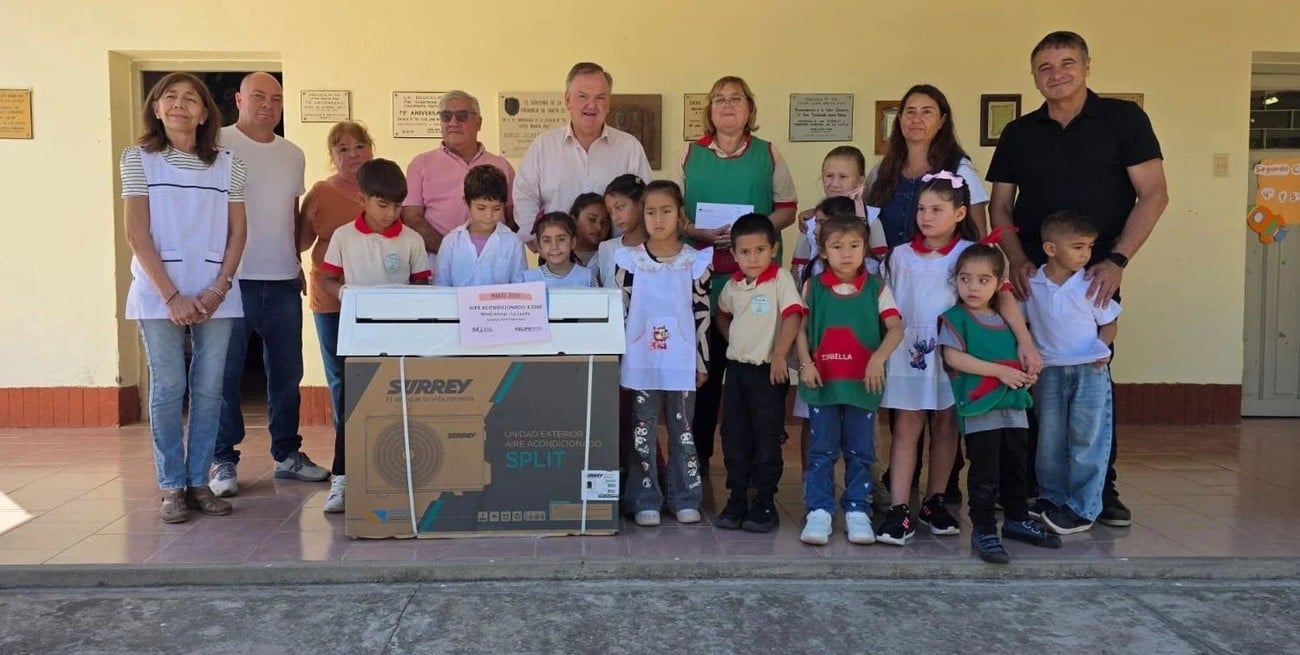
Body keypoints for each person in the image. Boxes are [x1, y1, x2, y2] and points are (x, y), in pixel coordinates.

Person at [988, 30, 1168, 528]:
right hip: (1032, 279)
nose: (1056, 74)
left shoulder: (1124, 120)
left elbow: (1153, 194)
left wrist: (1117, 261)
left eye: (1067, 63)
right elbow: (1000, 206)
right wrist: (1018, 258)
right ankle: (1029, 488)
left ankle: (1100, 492)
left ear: (1087, 66)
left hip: (1096, 279)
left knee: (1092, 389)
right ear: (1034, 76)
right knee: (1031, 378)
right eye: (1044, 67)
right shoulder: (1020, 133)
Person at [876, 172, 1040, 546]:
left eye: (937, 209)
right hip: (909, 353)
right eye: (921, 209)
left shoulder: (969, 254)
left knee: (947, 424)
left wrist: (1025, 341)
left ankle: (934, 500)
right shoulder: (898, 256)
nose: (926, 217)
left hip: (956, 352)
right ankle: (900, 507)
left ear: (960, 212)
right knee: (906, 427)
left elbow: (1004, 297)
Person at [121, 72, 247, 523]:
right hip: (159, 293)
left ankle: (199, 481)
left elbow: (237, 232)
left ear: (204, 112)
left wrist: (218, 287)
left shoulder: (229, 162)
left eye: (190, 98)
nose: (179, 104)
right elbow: (136, 232)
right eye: (169, 97)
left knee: (210, 390)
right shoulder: (138, 159)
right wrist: (171, 295)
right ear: (156, 108)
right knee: (169, 388)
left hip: (217, 293)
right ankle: (172, 485)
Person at [867, 84, 990, 507]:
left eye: (926, 111)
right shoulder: (884, 170)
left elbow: (978, 233)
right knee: (905, 412)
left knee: (944, 414)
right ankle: (901, 492)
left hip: (946, 298)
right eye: (908, 111)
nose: (916, 119)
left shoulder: (960, 169)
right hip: (899, 294)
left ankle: (939, 494)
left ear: (942, 119)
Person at [211, 72, 327, 497]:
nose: (267, 105)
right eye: (258, 96)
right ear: (238, 99)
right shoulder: (216, 144)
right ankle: (223, 458)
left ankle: (287, 454)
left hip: (281, 279)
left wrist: (295, 261)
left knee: (286, 373)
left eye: (276, 98)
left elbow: (290, 213)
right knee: (224, 374)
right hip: (231, 280)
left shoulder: (292, 154)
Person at [679, 75, 798, 471]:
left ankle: (751, 469)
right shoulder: (689, 154)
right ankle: (696, 464)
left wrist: (752, 231)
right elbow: (672, 214)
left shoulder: (768, 154)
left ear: (749, 108)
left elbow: (787, 208)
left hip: (756, 284)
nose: (727, 106)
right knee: (705, 379)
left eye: (736, 99)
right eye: (719, 100)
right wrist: (696, 231)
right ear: (709, 111)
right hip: (704, 281)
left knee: (754, 379)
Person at [939, 245, 1062, 563]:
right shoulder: (956, 318)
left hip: (1014, 407)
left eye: (982, 280)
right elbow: (953, 357)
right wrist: (1000, 372)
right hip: (981, 408)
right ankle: (983, 529)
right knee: (985, 472)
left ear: (999, 283)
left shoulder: (1010, 320)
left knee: (1016, 467)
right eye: (965, 279)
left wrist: (1026, 374)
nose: (972, 287)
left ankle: (1017, 519)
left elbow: (1021, 358)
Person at [795, 214, 903, 545]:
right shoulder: (813, 287)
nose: (846, 253)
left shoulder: (877, 288)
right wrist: (805, 362)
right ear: (824, 251)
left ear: (865, 248)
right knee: (822, 450)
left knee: (860, 450)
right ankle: (820, 510)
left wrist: (878, 358)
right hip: (822, 382)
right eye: (837, 246)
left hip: (862, 385)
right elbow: (798, 328)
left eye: (854, 246)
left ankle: (857, 509)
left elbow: (896, 328)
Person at [614, 180, 711, 527]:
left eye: (666, 211)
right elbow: (622, 311)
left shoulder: (696, 262)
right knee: (642, 430)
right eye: (651, 212)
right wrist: (622, 357)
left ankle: (686, 496)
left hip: (683, 359)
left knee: (682, 430)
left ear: (680, 215)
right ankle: (645, 497)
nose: (658, 219)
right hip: (642, 359)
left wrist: (702, 359)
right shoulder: (629, 260)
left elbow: (702, 313)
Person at [1022, 211, 1121, 535]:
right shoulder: (1033, 283)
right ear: (1050, 248)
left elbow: (1109, 321)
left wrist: (1101, 350)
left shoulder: (1091, 283)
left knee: (1087, 438)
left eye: (1089, 247)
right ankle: (1052, 498)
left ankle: (1083, 508)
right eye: (1078, 247)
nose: (1086, 254)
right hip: (1049, 371)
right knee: (1049, 440)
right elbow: (1019, 320)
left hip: (1088, 371)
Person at [297, 121, 374, 509]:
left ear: (371, 150)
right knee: (342, 381)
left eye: (359, 146)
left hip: (374, 303)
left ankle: (372, 456)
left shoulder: (381, 185)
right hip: (331, 301)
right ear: (333, 156)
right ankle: (345, 467)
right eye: (343, 149)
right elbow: (299, 240)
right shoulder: (321, 193)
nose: (353, 154)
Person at [714, 213, 804, 533]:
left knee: (767, 439)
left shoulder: (781, 280)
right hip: (737, 372)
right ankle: (737, 497)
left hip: (769, 372)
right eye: (745, 252)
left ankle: (764, 500)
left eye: (760, 250)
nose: (753, 258)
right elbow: (722, 315)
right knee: (734, 436)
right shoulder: (732, 286)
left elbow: (793, 317)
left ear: (774, 249)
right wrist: (734, 341)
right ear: (734, 255)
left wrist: (780, 353)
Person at [513, 62, 653, 240]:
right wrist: (534, 238)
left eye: (600, 97)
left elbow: (647, 200)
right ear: (567, 100)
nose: (591, 105)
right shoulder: (543, 146)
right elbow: (524, 194)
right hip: (558, 260)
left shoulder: (629, 147)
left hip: (617, 259)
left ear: (609, 103)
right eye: (582, 96)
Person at [401, 90, 516, 269]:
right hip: (437, 263)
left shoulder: (501, 165)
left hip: (493, 265)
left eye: (462, 116)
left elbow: (512, 217)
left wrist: (491, 250)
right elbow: (411, 219)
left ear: (478, 122)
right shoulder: (420, 164)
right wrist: (451, 251)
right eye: (446, 116)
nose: (453, 123)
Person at [436, 165, 526, 287]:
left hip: (499, 306)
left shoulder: (513, 242)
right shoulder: (451, 242)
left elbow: (520, 287)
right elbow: (441, 286)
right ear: (467, 203)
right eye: (481, 208)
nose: (489, 216)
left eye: (496, 208)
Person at [514, 212, 596, 288]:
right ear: (539, 246)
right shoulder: (528, 280)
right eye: (547, 241)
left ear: (573, 242)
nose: (554, 246)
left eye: (561, 239)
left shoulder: (587, 278)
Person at [596, 174, 647, 288]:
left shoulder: (659, 248)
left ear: (641, 203)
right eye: (610, 212)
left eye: (620, 207)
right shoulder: (607, 249)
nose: (615, 217)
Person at [570, 193, 610, 267]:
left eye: (604, 222)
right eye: (592, 220)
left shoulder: (612, 256)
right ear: (574, 220)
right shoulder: (559, 255)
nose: (599, 227)